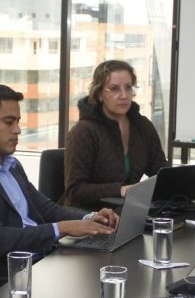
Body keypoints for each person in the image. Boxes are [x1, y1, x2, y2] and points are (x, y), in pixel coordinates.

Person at [0, 83, 118, 295]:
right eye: (8, 122)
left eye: (18, 121)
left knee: (104, 279)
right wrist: (62, 228)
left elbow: (48, 210)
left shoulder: (11, 166)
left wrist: (91, 219)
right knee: (95, 293)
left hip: (38, 269)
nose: (17, 130)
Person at [63, 59, 169, 210]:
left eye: (128, 87)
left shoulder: (142, 126)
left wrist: (179, 183)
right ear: (99, 93)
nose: (124, 95)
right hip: (87, 217)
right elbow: (75, 190)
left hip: (128, 212)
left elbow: (159, 170)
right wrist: (120, 190)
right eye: (114, 89)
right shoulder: (84, 131)